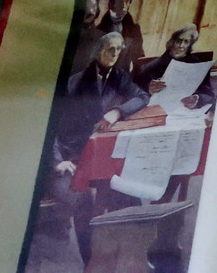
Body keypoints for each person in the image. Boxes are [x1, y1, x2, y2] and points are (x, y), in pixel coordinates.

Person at [46, 32, 149, 264]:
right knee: (83, 201)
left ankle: (130, 259)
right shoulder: (75, 82)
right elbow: (50, 126)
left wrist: (118, 111)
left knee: (128, 194)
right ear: (98, 50)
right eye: (109, 48)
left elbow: (142, 97)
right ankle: (91, 263)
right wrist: (57, 161)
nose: (114, 53)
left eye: (118, 49)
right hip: (71, 158)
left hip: (101, 156)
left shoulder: (119, 77)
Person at [134, 23, 215, 109]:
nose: (181, 46)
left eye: (186, 42)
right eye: (178, 41)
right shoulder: (150, 67)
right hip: (159, 110)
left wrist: (197, 99)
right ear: (171, 42)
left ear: (190, 44)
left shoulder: (197, 65)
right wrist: (148, 90)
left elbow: (208, 93)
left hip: (187, 110)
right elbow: (134, 91)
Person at [96, 0, 143, 64]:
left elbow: (139, 58)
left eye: (127, 2)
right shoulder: (98, 30)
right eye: (120, 2)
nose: (124, 6)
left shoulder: (134, 29)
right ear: (111, 3)